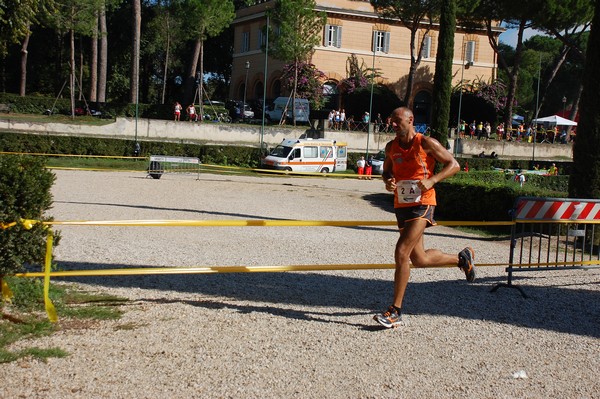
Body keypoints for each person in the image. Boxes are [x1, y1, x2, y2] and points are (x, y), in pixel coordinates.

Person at [373, 107, 476, 329]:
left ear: (410, 120)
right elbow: (387, 171)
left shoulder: (426, 143)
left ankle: (395, 311)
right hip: (402, 205)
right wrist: (388, 181)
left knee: (401, 252)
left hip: (424, 203)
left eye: (397, 121)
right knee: (419, 259)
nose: (392, 125)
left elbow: (454, 165)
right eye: (391, 121)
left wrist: (433, 180)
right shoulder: (392, 147)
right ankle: (462, 259)